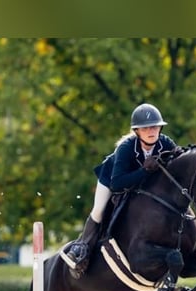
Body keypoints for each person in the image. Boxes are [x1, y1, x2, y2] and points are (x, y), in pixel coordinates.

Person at [60, 103, 178, 278]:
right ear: (137, 131)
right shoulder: (126, 148)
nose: (151, 131)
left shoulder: (166, 143)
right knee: (99, 210)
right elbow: (118, 183)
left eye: (154, 126)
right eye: (145, 128)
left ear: (160, 128)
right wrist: (144, 171)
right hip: (112, 180)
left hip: (143, 186)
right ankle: (82, 248)